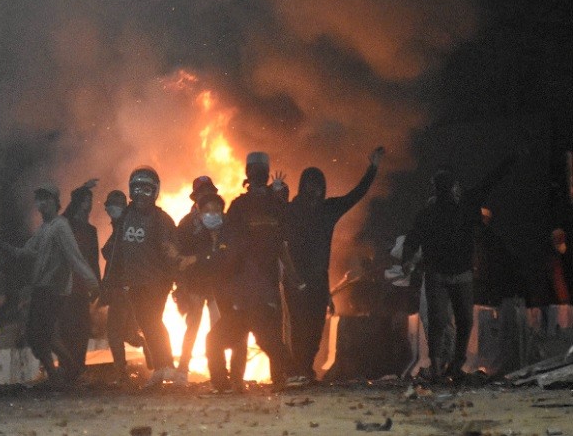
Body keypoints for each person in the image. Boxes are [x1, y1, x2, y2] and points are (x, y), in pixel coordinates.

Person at [402, 156, 515, 381]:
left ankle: (445, 367)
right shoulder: (442, 209)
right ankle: (443, 367)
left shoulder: (444, 209)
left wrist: (407, 260)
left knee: (449, 322)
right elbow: (489, 182)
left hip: (451, 275)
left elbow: (412, 239)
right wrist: (510, 160)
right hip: (446, 275)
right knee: (448, 322)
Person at [285, 146, 384, 382]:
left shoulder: (328, 210)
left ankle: (305, 370)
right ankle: (296, 371)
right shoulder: (291, 210)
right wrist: (277, 193)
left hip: (319, 279)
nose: (314, 189)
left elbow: (356, 194)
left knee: (315, 329)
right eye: (310, 184)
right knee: (297, 328)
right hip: (295, 279)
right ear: (302, 185)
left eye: (318, 184)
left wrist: (373, 168)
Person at [206, 152, 302, 392]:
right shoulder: (242, 206)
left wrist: (281, 197)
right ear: (249, 174)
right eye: (255, 171)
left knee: (265, 337)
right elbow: (231, 248)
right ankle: (231, 383)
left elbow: (284, 240)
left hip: (260, 287)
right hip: (249, 288)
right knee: (262, 338)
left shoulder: (272, 205)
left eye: (261, 171)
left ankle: (284, 377)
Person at [0, 183, 99, 385]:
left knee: (42, 335)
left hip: (54, 289)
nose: (42, 203)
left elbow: (74, 257)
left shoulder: (60, 227)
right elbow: (27, 251)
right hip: (42, 288)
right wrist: (3, 246)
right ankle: (63, 373)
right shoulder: (45, 228)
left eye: (46, 199)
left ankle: (68, 371)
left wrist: (92, 283)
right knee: (39, 336)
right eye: (39, 199)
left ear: (55, 203)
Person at [102, 166, 185, 388]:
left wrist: (177, 280)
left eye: (146, 189)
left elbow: (172, 253)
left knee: (153, 321)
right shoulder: (126, 216)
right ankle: (159, 368)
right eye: (136, 189)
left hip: (157, 281)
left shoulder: (161, 220)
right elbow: (114, 247)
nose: (140, 195)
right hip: (133, 282)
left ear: (155, 192)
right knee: (145, 324)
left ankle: (167, 364)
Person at [173, 176, 222, 385]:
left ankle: (218, 371)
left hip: (216, 282)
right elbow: (178, 258)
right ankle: (182, 370)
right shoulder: (185, 224)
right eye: (202, 192)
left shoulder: (219, 219)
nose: (205, 195)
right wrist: (181, 286)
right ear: (196, 197)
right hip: (194, 283)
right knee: (193, 326)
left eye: (208, 192)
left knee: (218, 326)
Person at [57, 179, 102, 381]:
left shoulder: (91, 231)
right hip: (66, 286)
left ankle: (78, 369)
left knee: (82, 329)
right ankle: (67, 368)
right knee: (67, 329)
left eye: (90, 200)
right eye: (85, 200)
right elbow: (66, 213)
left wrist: (97, 287)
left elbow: (93, 261)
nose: (88, 204)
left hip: (83, 289)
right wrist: (82, 188)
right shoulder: (68, 225)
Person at [100, 189, 146, 384]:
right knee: (129, 333)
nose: (112, 208)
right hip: (120, 286)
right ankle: (152, 351)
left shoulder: (127, 226)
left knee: (114, 331)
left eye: (116, 204)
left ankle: (122, 374)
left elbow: (123, 256)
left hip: (124, 286)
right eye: (110, 205)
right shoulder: (118, 227)